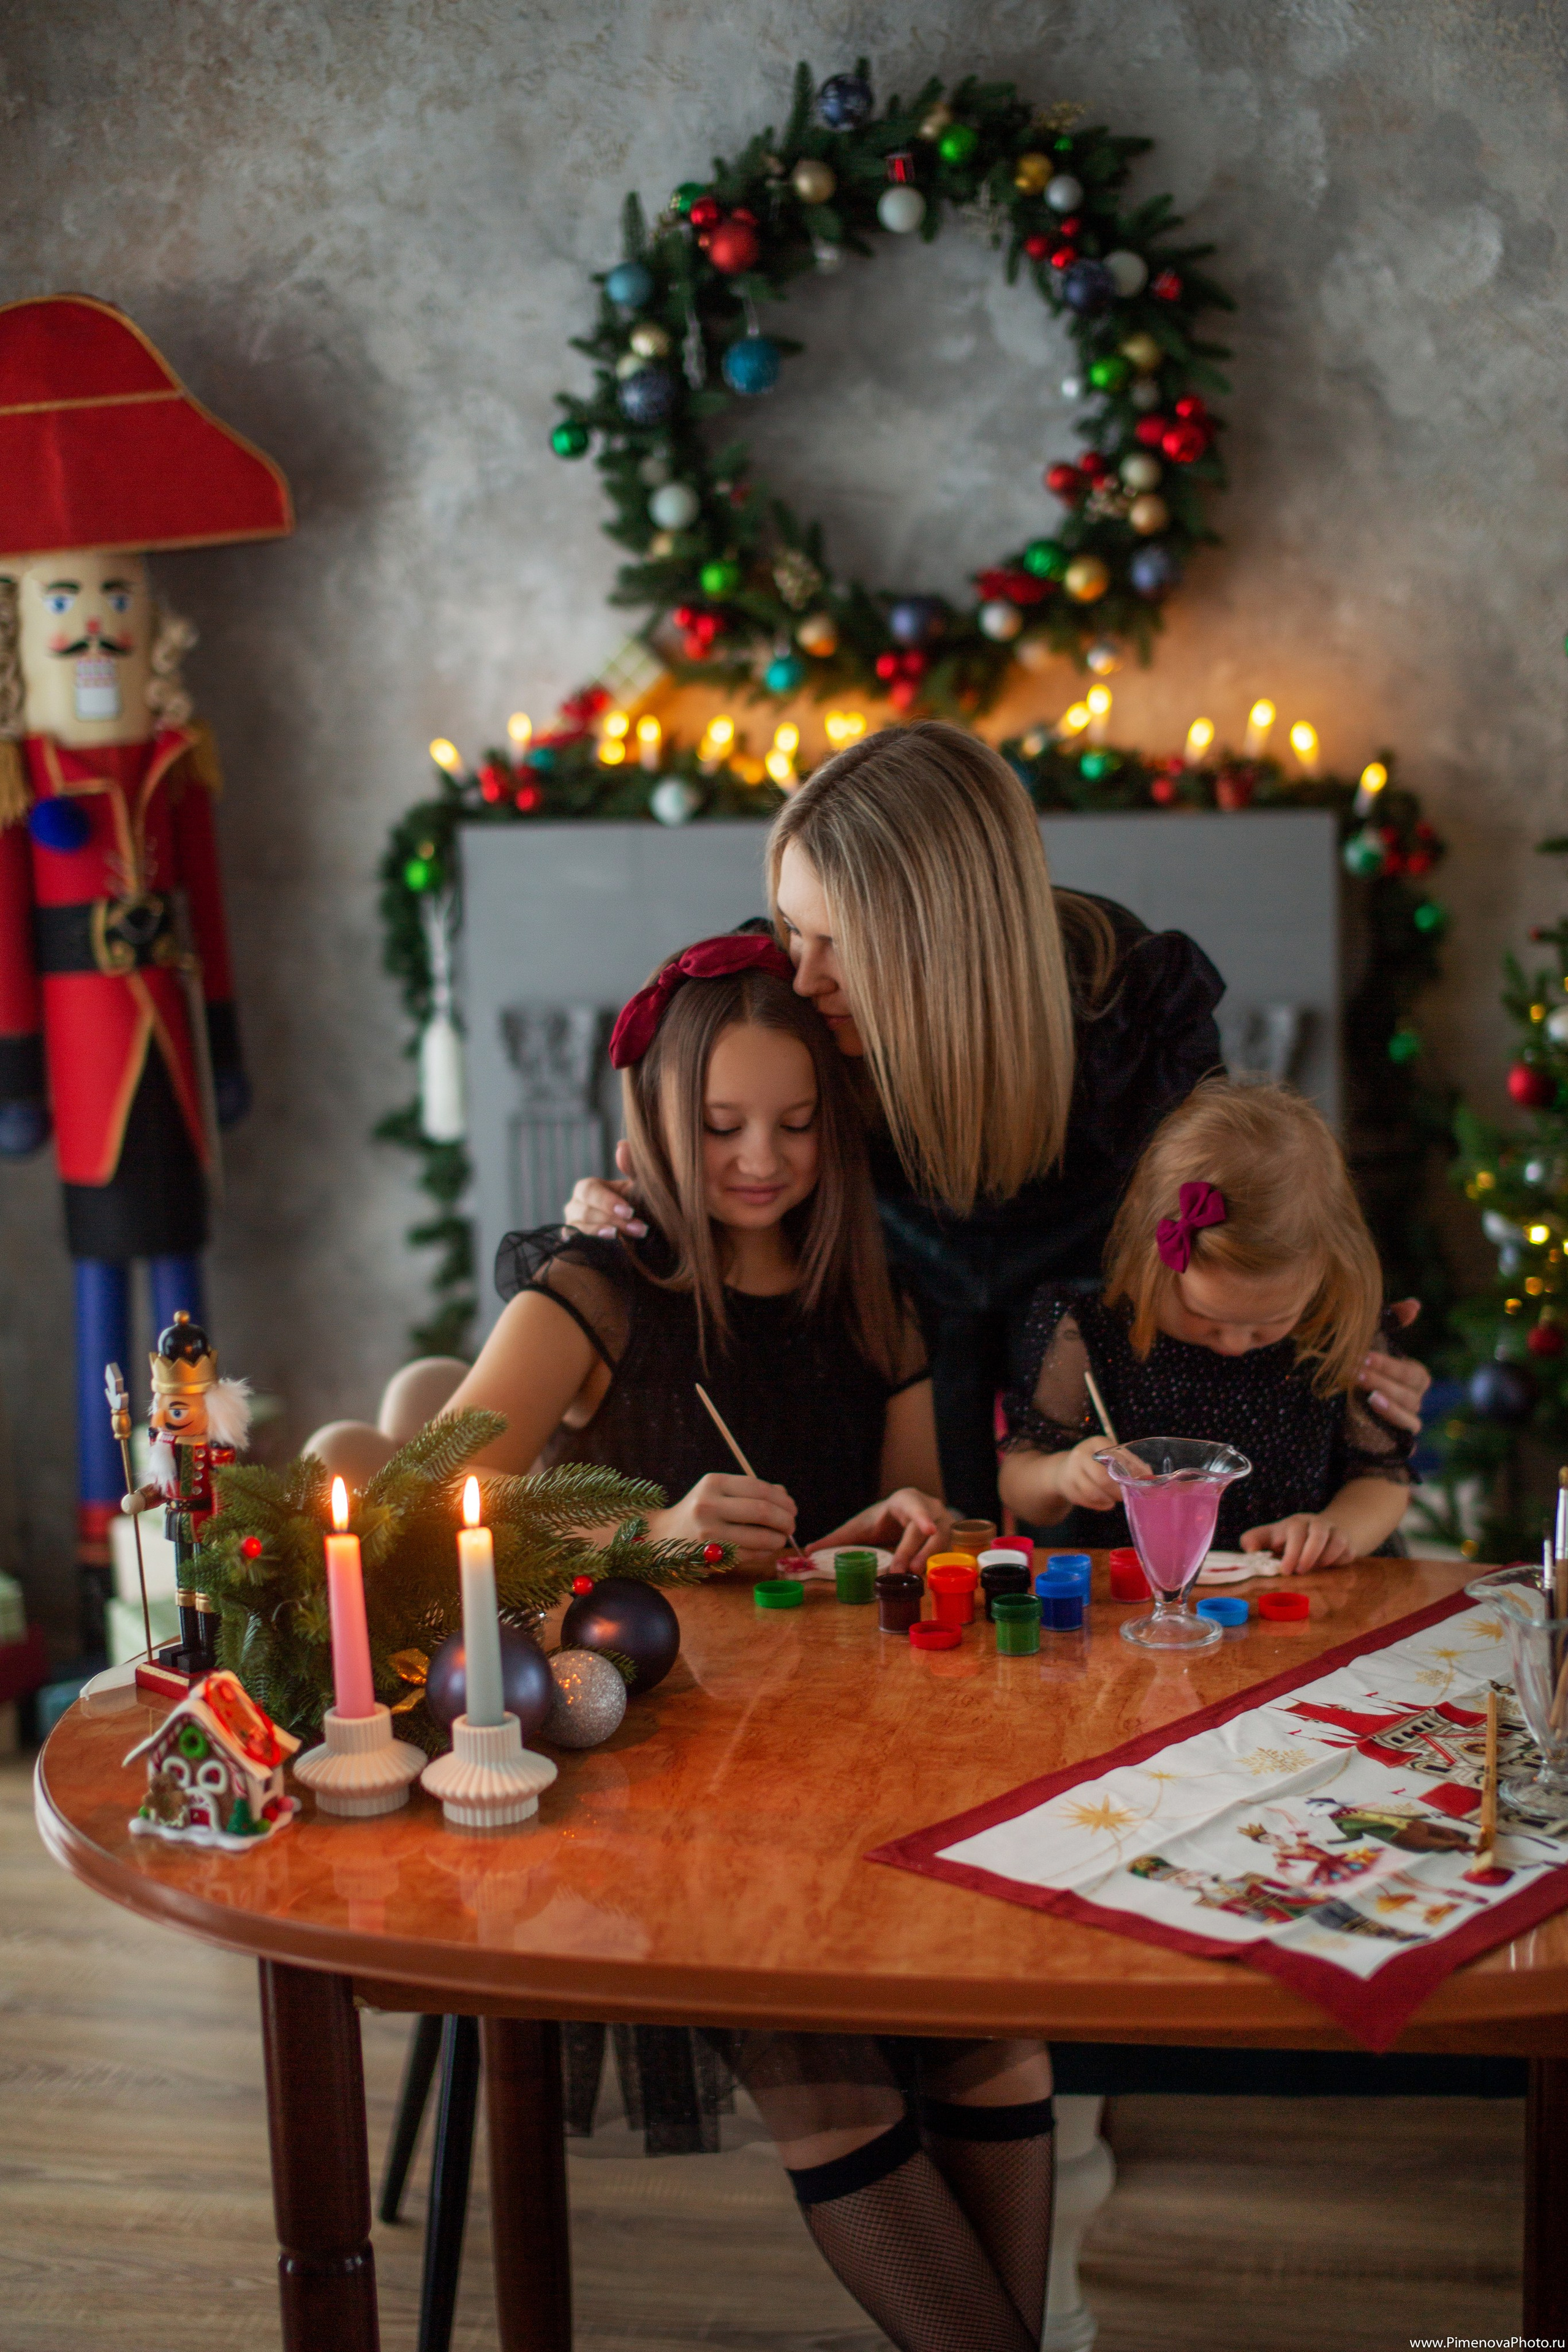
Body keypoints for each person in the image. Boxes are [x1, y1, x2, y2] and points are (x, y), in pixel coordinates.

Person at [438, 933, 1055, 2352]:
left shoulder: (870, 1297)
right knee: (812, 2038)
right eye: (719, 1128)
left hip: (850, 1759)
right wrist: (647, 1531)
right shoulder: (589, 1295)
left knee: (992, 2019)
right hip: (654, 1786)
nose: (759, 1160)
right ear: (658, 1119)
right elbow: (423, 1510)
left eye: (791, 1125)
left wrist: (905, 1523)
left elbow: (890, 1537)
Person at [565, 722, 1432, 1517]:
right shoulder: (791, 994)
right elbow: (714, 1158)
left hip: (1091, 1380)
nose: (802, 977)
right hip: (886, 1357)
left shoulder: (1126, 1005)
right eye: (796, 928)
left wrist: (1335, 1322)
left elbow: (1220, 1210)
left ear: (949, 946)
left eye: (843, 944)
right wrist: (624, 1206)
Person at [998, 1079, 1415, 1566]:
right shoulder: (1088, 1330)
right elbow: (1019, 1483)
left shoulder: (1337, 1325)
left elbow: (1383, 1478)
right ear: (1153, 1261)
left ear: (1327, 1269)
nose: (1236, 1344)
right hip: (1144, 1604)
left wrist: (1336, 1532)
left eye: (1271, 1322)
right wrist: (1062, 1475)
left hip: (1301, 1594)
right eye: (1205, 1317)